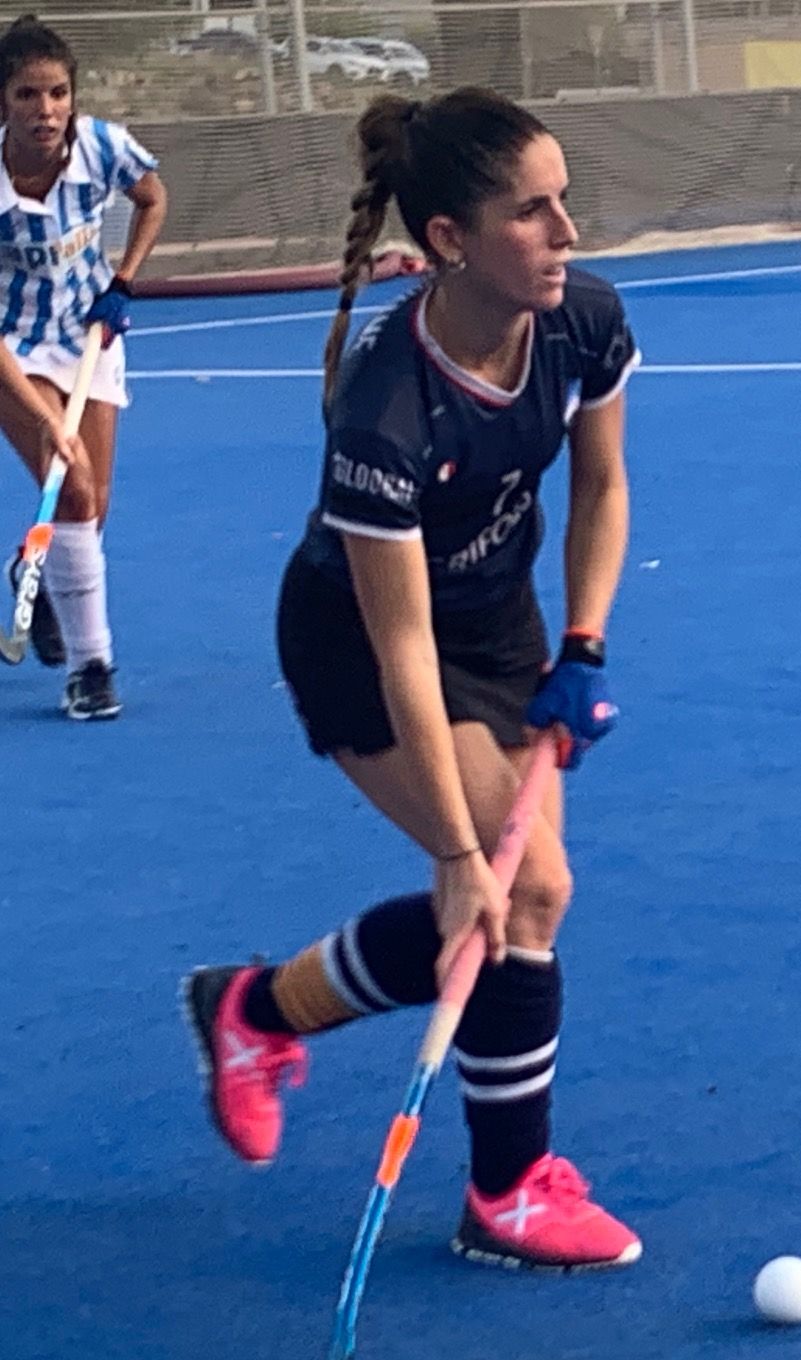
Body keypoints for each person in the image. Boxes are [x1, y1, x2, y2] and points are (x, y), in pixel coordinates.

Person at [181, 87, 646, 1271]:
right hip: (360, 641)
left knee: (509, 906)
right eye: (531, 213)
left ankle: (255, 1011)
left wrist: (582, 644)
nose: (567, 233)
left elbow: (601, 488)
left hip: (497, 625)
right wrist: (452, 850)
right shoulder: (386, 409)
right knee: (517, 892)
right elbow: (397, 651)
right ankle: (507, 1194)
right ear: (448, 240)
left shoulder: (582, 321)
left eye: (565, 201)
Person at [0, 14, 165, 719]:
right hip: (16, 348)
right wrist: (45, 421)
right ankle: (93, 669)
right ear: (2, 102)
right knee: (73, 487)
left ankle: (27, 567)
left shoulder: (102, 147)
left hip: (90, 336)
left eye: (59, 94)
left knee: (89, 514)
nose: (47, 111)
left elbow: (152, 198)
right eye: (29, 96)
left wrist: (122, 280)